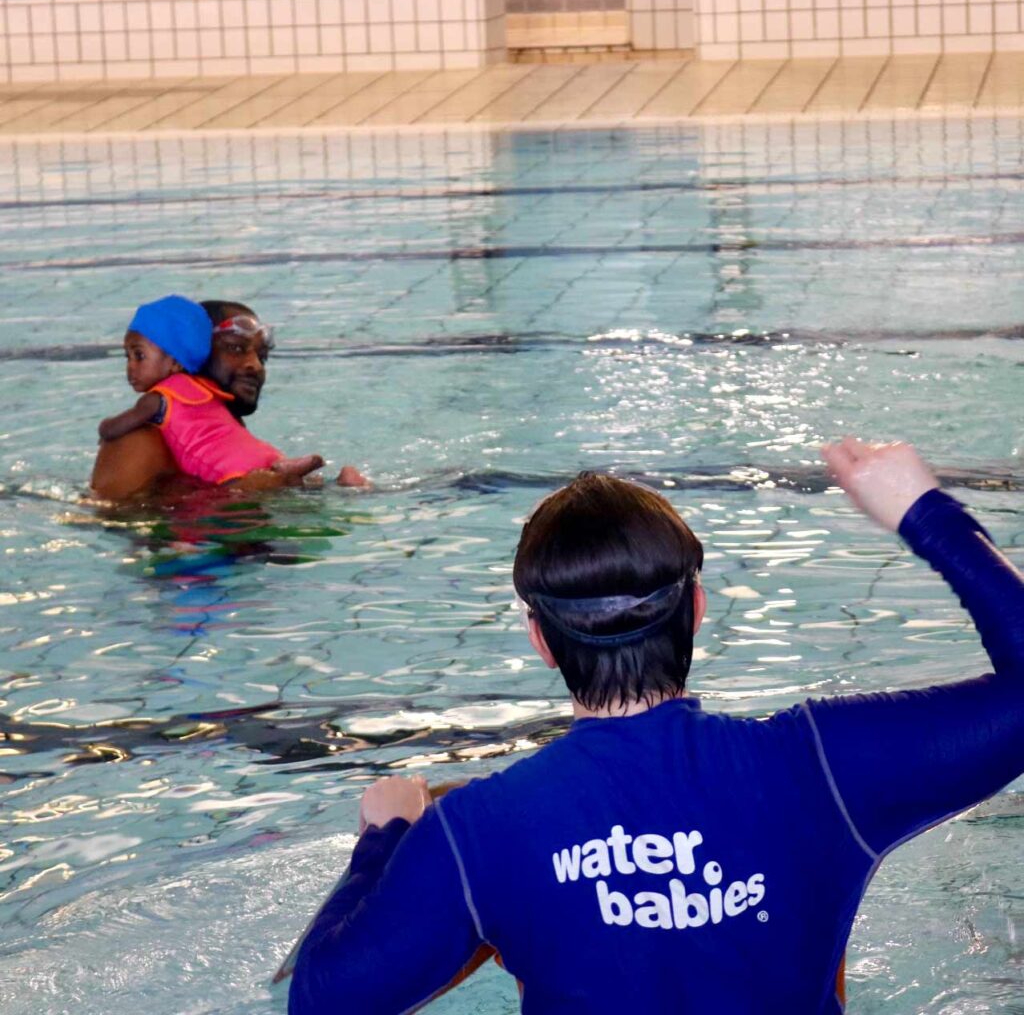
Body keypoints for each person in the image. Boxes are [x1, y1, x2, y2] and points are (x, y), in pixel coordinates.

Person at [287, 438, 1024, 1015]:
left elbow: (322, 1002)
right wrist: (923, 511)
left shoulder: (473, 831)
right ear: (696, 611)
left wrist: (383, 840)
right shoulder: (823, 767)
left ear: (541, 640)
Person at [89, 298, 367, 500]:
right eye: (235, 348)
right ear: (190, 355)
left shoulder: (222, 431)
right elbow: (116, 517)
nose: (255, 366)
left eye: (262, 356)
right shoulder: (140, 438)